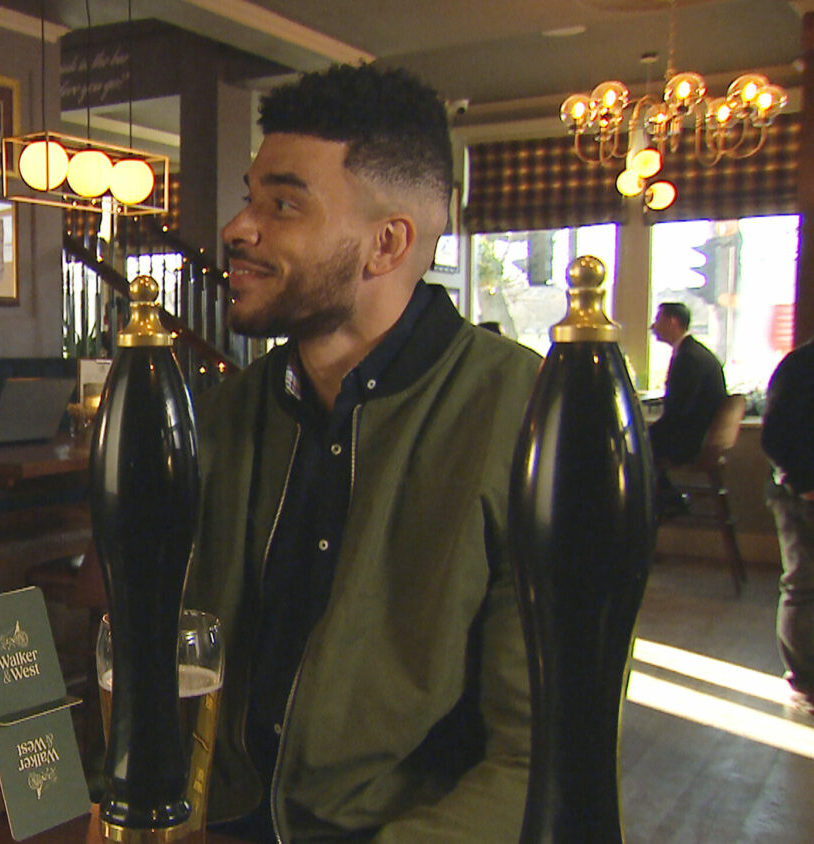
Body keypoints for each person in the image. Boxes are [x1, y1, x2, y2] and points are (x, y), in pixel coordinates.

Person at [184, 64, 538, 842]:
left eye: (282, 204)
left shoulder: (526, 417)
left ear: (387, 244)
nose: (238, 228)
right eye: (249, 198)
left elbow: (540, 764)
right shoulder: (231, 413)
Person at [763, 342, 814, 714]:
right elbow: (775, 436)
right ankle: (805, 680)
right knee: (804, 584)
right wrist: (804, 483)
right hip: (801, 491)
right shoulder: (801, 367)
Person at [648, 301, 727, 513]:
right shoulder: (695, 353)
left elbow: (678, 412)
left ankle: (664, 504)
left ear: (673, 322)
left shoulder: (688, 358)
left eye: (658, 320)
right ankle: (667, 501)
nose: (652, 326)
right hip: (701, 437)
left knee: (632, 447)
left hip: (691, 442)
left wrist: (644, 433)